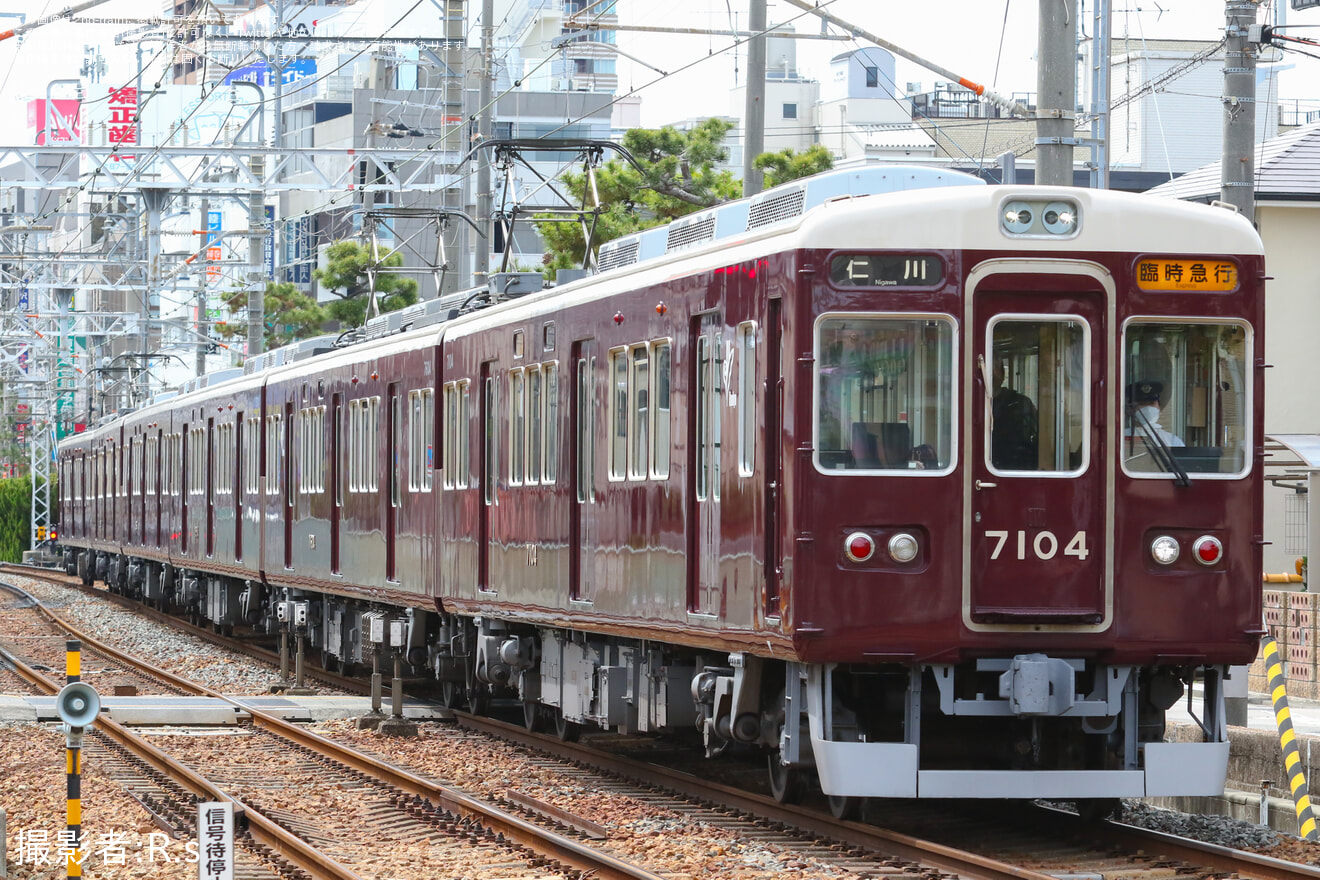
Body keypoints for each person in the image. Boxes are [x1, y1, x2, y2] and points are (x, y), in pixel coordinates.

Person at [991, 360, 1038, 470]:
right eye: (988, 369)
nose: (992, 373)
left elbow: (1038, 432)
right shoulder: (974, 403)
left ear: (1003, 375)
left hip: (1017, 465)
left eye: (995, 369)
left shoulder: (1022, 403)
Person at [1126, 381, 1184, 447]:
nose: (1148, 408)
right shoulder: (1122, 437)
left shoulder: (1173, 441)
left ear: (1160, 409)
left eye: (1151, 403)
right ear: (1131, 410)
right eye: (1142, 404)